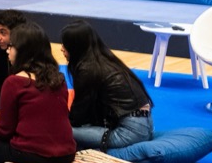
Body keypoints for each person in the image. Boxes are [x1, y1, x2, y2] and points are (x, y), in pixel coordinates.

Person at [0, 22, 76, 163]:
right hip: (66, 155)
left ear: (23, 51)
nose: (8, 51)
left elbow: (5, 131)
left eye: (11, 47)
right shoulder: (59, 78)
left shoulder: (14, 82)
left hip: (32, 155)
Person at [61, 19, 154, 150]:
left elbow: (78, 116)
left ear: (76, 46)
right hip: (145, 125)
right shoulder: (104, 60)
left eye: (65, 44)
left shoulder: (88, 70)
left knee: (59, 130)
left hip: (129, 133)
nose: (61, 48)